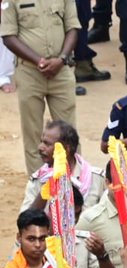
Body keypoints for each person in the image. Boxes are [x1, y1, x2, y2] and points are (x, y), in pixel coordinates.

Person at [0, 0, 78, 175]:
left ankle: (76, 184)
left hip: (61, 71)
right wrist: (39, 61)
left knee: (69, 133)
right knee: (33, 134)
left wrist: (62, 59)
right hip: (29, 72)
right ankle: (38, 186)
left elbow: (73, 28)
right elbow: (8, 36)